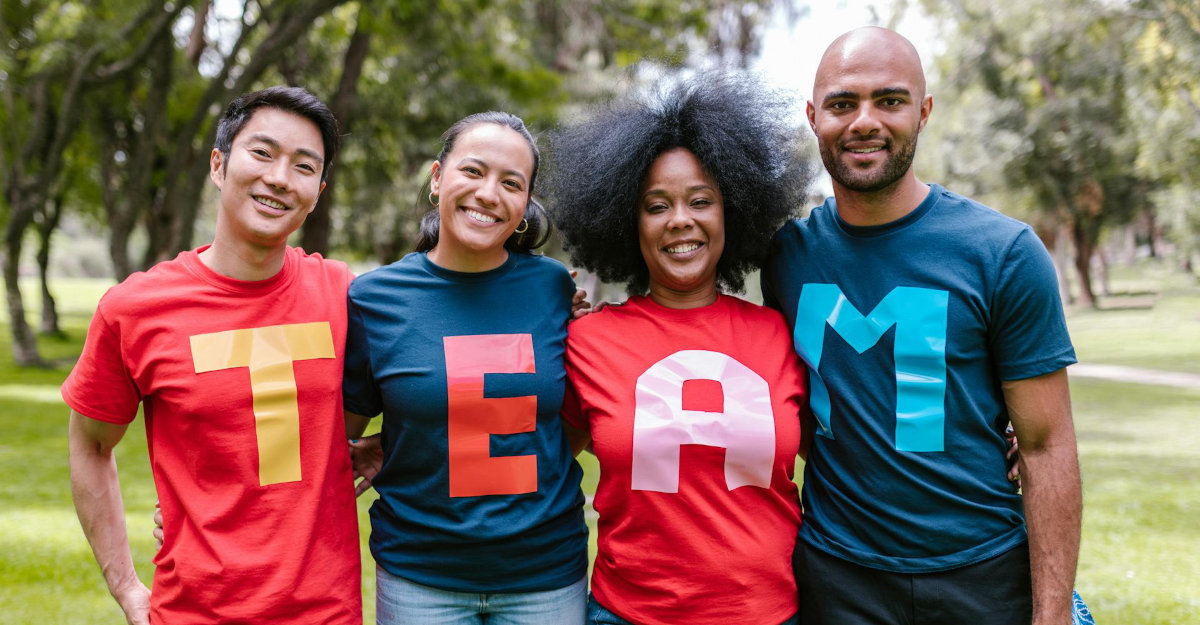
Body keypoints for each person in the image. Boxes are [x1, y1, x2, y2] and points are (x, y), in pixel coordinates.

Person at [761, 27, 1082, 625]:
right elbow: (796, 410)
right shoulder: (786, 258)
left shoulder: (1003, 252)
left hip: (983, 572)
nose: (863, 121)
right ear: (812, 117)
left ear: (924, 111)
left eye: (889, 100)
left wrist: (1053, 615)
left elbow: (1046, 444)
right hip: (836, 576)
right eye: (841, 103)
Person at [64, 86, 362, 624]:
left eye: (303, 165)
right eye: (263, 153)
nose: (278, 177)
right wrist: (128, 588)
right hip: (193, 612)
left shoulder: (345, 295)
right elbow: (89, 443)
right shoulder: (134, 310)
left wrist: (386, 448)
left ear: (318, 190)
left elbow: (442, 370)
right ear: (219, 165)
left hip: (326, 612)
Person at [546, 74, 814, 625]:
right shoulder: (588, 340)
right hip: (629, 613)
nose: (680, 221)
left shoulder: (782, 336)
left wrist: (992, 438)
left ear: (731, 213)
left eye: (701, 201)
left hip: (768, 614)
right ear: (626, 220)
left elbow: (849, 445)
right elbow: (537, 455)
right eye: (656, 205)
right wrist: (408, 440)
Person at [341, 111, 590, 624]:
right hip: (420, 577)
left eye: (511, 183)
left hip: (545, 577)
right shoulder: (374, 299)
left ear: (524, 205)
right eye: (473, 171)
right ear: (437, 179)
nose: (488, 193)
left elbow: (573, 420)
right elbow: (333, 442)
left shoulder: (553, 289)